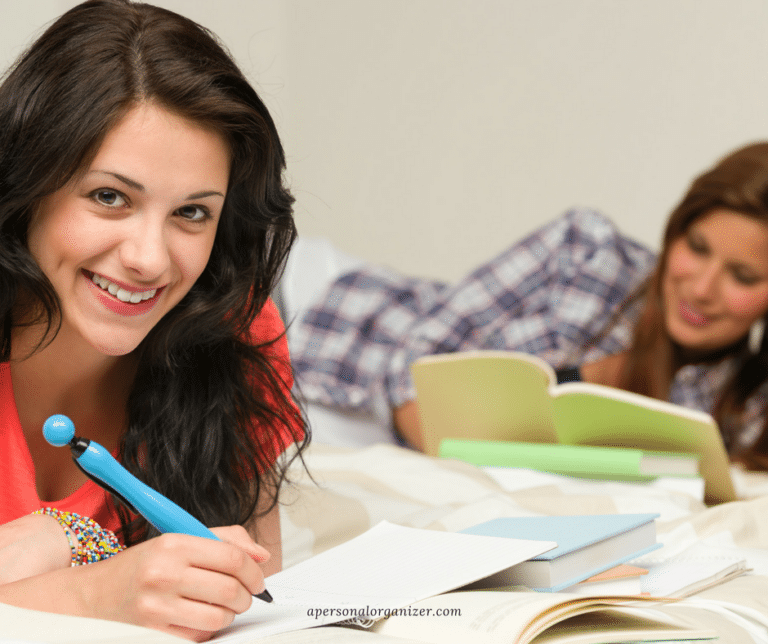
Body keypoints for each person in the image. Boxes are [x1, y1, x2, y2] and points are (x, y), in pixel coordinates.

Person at [0, 0, 306, 640]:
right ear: (26, 188)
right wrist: (91, 587)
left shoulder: (234, 332)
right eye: (109, 197)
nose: (148, 259)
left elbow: (253, 593)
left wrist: (60, 551)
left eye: (192, 213)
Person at [291, 142, 768, 464]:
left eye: (743, 276)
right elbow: (413, 368)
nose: (702, 288)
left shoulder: (739, 408)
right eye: (696, 248)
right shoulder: (589, 252)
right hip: (331, 325)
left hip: (380, 437)